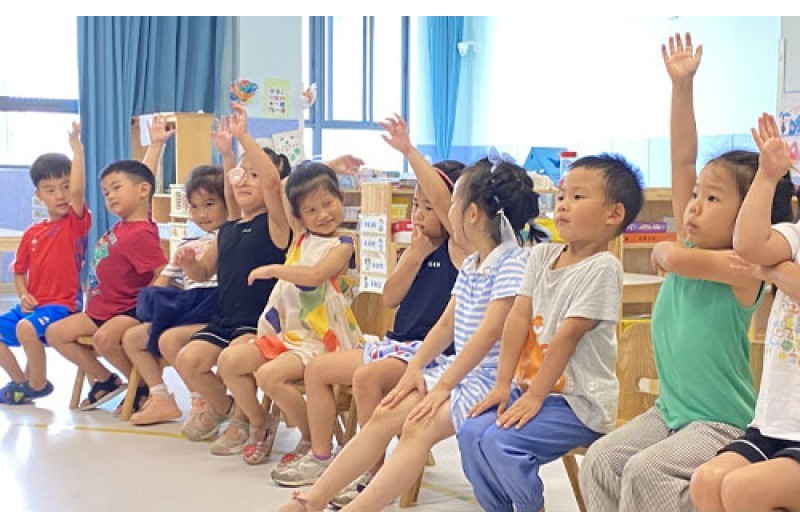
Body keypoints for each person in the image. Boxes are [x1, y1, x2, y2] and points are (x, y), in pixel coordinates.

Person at [578, 32, 794, 512]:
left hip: (721, 422)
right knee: (601, 460)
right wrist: (681, 87)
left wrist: (670, 254)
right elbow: (682, 159)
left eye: (712, 198)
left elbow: (679, 260)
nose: (693, 205)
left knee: (647, 472)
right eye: (696, 194)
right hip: (671, 412)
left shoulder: (743, 268)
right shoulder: (693, 239)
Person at [278, 156, 540, 512]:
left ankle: (355, 512)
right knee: (385, 414)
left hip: (488, 381)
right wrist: (415, 368)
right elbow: (446, 325)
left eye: (452, 203)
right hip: (455, 374)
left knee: (418, 427)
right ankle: (315, 498)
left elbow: (489, 332)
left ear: (472, 214)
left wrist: (443, 384)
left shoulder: (513, 262)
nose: (447, 211)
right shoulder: (472, 263)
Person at [269, 115, 468, 506]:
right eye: (416, 205)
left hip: (430, 355)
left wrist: (408, 150)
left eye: (429, 207)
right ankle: (322, 456)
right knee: (318, 369)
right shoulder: (418, 247)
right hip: (395, 345)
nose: (420, 214)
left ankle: (372, 472)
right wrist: (413, 256)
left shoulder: (461, 249)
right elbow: (390, 298)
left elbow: (446, 203)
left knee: (367, 378)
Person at [457, 153, 644, 511]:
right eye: (561, 196)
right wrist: (502, 384)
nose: (563, 205)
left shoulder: (603, 267)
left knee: (501, 443)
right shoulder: (541, 256)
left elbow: (567, 338)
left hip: (578, 404)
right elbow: (517, 319)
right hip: (530, 390)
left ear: (614, 214)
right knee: (470, 433)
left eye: (578, 197)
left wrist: (535, 397)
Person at [217, 161, 363, 467]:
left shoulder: (344, 243)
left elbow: (314, 276)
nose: (322, 215)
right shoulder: (300, 234)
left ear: (341, 199)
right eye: (311, 210)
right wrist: (326, 166)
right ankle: (261, 422)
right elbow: (279, 186)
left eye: (328, 203)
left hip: (322, 340)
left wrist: (273, 269)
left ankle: (312, 437)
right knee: (229, 361)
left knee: (268, 376)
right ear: (298, 216)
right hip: (285, 334)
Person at [689, 113, 800, 512]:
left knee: (742, 490)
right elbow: (750, 245)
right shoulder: (795, 235)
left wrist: (771, 270)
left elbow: (769, 266)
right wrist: (767, 176)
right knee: (706, 481)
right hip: (775, 421)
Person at [173, 102, 292, 448]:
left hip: (259, 324)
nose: (244, 181)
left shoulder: (276, 224)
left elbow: (271, 182)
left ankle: (253, 419)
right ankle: (224, 408)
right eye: (241, 174)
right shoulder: (228, 229)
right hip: (225, 319)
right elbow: (203, 272)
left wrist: (244, 138)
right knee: (188, 360)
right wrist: (188, 262)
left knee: (231, 361)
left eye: (254, 175)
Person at [45, 155, 168, 411]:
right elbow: (142, 175)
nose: (110, 196)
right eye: (105, 192)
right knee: (55, 333)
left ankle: (141, 386)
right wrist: (155, 146)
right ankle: (106, 380)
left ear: (142, 190)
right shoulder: (123, 226)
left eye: (116, 187)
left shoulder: (142, 231)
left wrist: (149, 308)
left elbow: (162, 272)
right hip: (100, 309)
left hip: (127, 310)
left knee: (104, 339)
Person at [122, 164, 227, 425]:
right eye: (194, 207)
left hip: (216, 312)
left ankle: (202, 398)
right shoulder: (188, 243)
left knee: (169, 340)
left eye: (210, 204)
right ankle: (160, 397)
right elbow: (161, 284)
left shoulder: (231, 237)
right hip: (189, 310)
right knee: (132, 338)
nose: (201, 214)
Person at [0, 123, 91, 404]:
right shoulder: (32, 233)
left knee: (26, 329)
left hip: (62, 306)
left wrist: (77, 150)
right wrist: (23, 294)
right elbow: (19, 271)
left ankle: (37, 385)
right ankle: (20, 383)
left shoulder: (75, 223)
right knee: (18, 326)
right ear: (39, 195)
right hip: (35, 306)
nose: (60, 195)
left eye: (65, 186)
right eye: (51, 190)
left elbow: (78, 193)